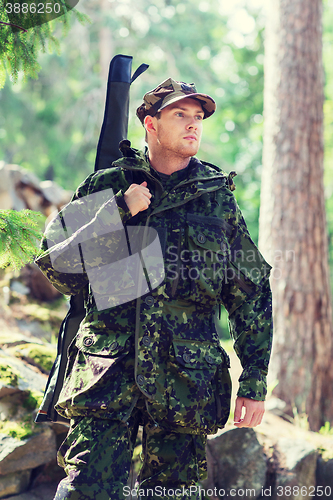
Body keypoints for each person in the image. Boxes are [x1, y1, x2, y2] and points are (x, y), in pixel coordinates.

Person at [36, 78, 273, 500]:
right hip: (105, 375)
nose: (193, 125)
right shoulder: (108, 184)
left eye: (198, 117)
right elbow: (58, 267)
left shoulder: (217, 199)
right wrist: (118, 211)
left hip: (186, 380)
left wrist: (253, 378)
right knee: (85, 491)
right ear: (150, 124)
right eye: (180, 115)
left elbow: (249, 291)